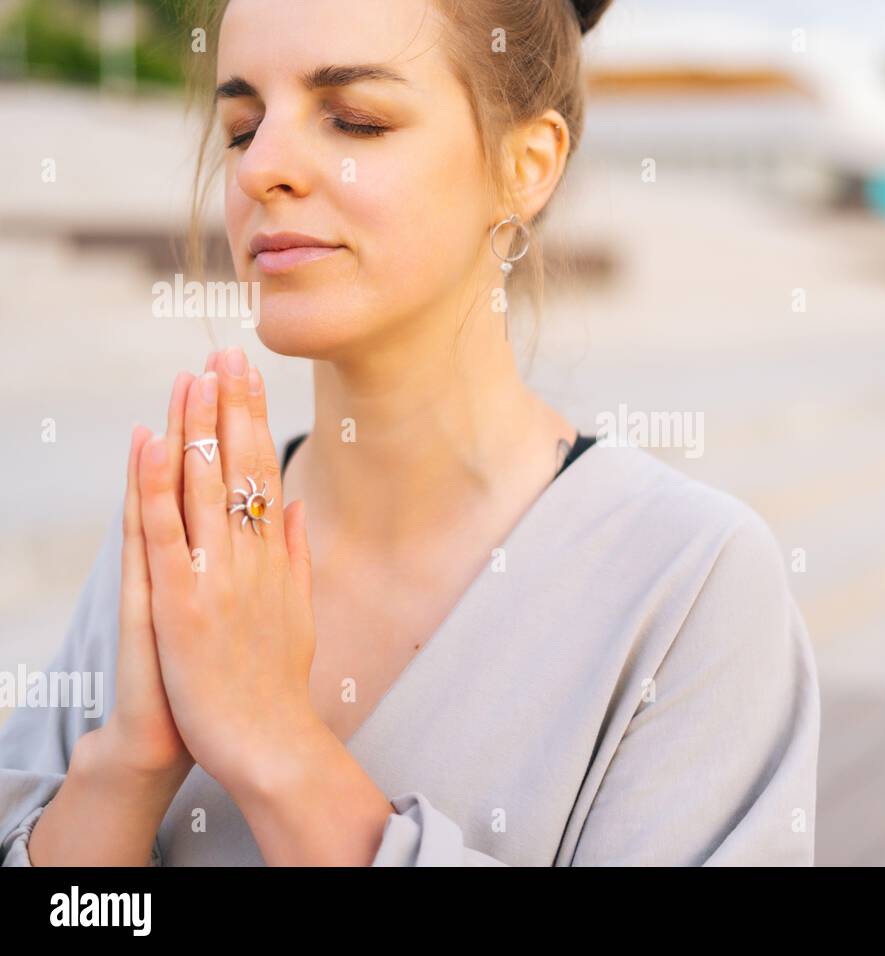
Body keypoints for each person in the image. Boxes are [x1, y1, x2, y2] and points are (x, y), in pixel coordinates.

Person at [0, 0, 819, 866]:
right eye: (243, 127)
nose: (260, 169)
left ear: (526, 166)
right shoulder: (185, 543)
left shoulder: (691, 581)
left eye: (354, 119)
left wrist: (277, 746)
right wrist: (128, 767)